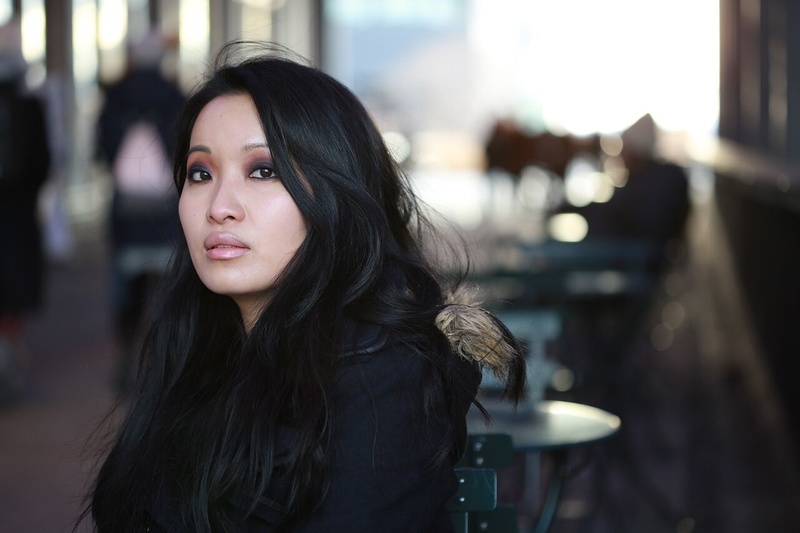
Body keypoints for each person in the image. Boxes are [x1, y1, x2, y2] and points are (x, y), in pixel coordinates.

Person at [80, 42, 525, 532]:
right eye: (200, 172)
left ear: (335, 195)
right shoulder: (194, 341)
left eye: (264, 171)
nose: (220, 205)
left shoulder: (388, 374)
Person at [94, 31, 186, 392]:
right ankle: (164, 365)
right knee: (168, 293)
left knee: (126, 288)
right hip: (165, 213)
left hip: (127, 213)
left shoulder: (115, 98)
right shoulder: (176, 97)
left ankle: (125, 358)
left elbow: (101, 151)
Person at [0, 17, 51, 404]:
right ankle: (8, 355)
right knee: (14, 291)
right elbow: (42, 163)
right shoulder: (30, 105)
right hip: (16, 213)